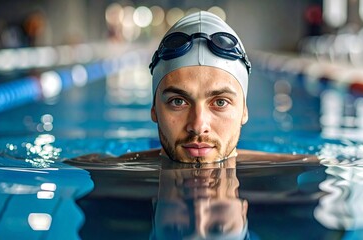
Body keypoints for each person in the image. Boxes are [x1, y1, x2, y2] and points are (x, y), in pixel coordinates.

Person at [118, 11, 317, 165]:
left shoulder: (300, 170)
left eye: (220, 102)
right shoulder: (105, 173)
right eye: (178, 101)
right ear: (154, 109)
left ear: (244, 111)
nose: (198, 125)